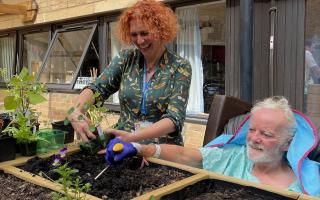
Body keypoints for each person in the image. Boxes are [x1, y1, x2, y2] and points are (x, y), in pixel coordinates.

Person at [105, 96, 320, 196]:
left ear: (287, 144)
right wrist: (140, 148)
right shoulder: (234, 157)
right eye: (252, 130)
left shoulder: (305, 189)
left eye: (266, 134)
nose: (254, 138)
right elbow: (184, 155)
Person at [68, 0, 192, 145]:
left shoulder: (179, 66)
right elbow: (97, 88)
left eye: (145, 33)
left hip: (160, 150)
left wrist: (133, 138)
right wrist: (76, 112)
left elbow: (173, 120)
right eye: (134, 34)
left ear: (160, 30)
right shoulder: (126, 59)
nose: (139, 40)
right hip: (123, 144)